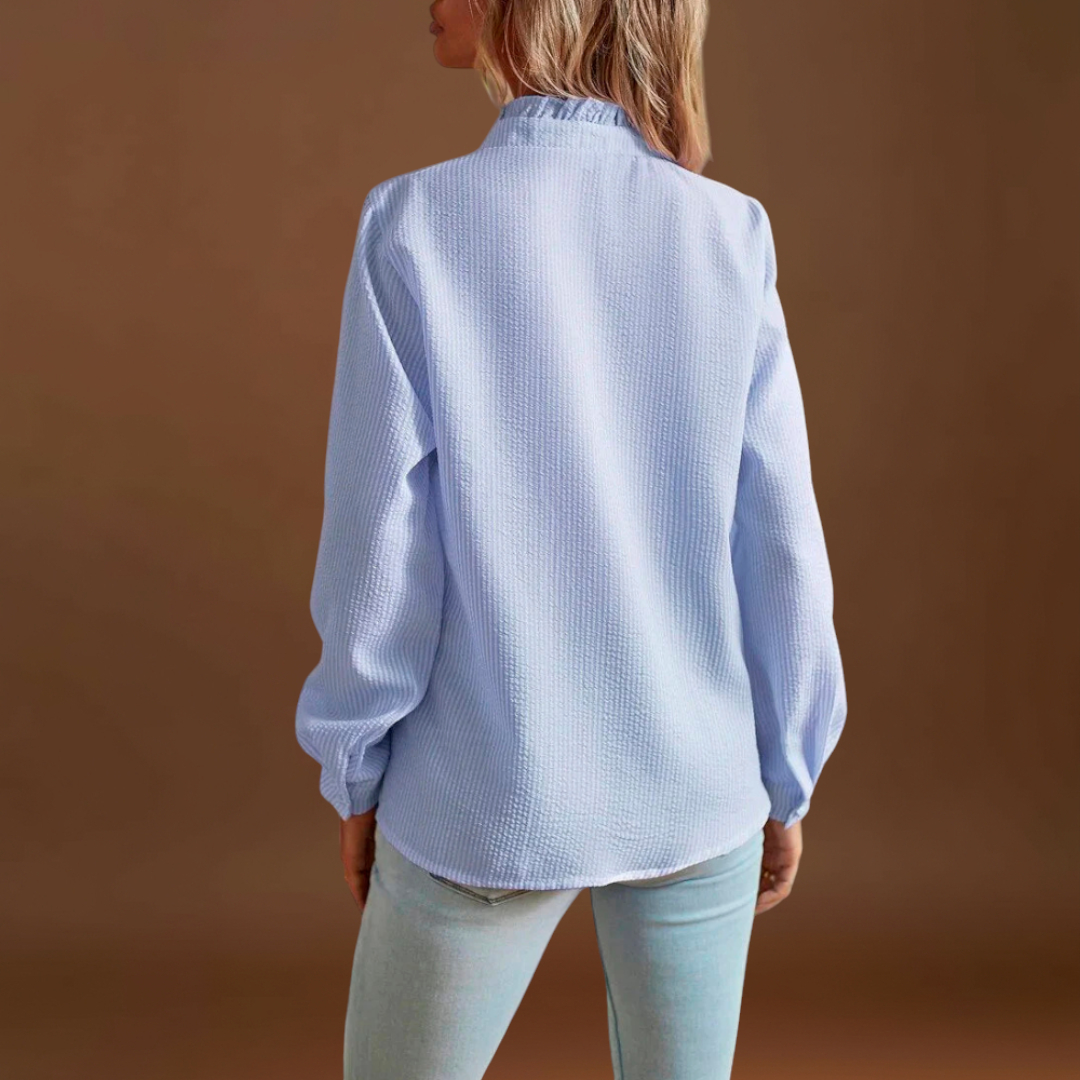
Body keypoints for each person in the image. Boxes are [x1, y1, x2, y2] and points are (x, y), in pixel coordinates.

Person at [294, 1, 848, 1076]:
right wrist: (788, 771)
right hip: (699, 783)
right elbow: (781, 539)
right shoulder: (730, 233)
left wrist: (355, 770)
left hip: (483, 791)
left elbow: (379, 553)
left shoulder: (414, 224)